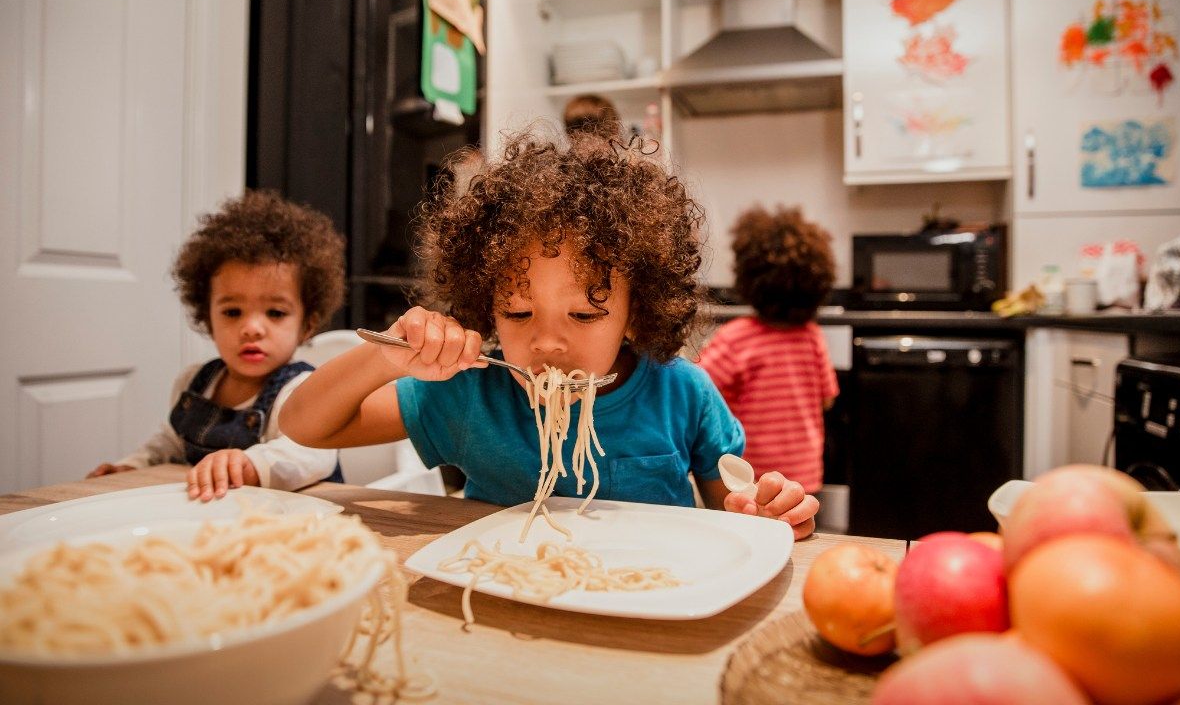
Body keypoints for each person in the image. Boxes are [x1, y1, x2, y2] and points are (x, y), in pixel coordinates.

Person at [281, 132, 820, 540]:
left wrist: (773, 513)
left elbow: (742, 517)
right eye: (517, 313)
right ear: (485, 309)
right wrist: (389, 358)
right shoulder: (469, 394)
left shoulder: (683, 394)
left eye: (584, 316)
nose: (546, 343)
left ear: (636, 314)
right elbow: (305, 424)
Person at [87, 190, 345, 502]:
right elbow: (170, 442)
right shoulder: (195, 382)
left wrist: (249, 464)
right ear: (207, 319)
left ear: (307, 325)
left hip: (297, 525)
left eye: (275, 313)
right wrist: (133, 467)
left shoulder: (305, 389)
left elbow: (312, 455)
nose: (251, 328)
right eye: (232, 312)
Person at [698, 205, 839, 495]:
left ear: (749, 279)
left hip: (751, 481)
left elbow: (698, 395)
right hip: (804, 479)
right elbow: (827, 400)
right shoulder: (811, 337)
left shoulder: (737, 338)